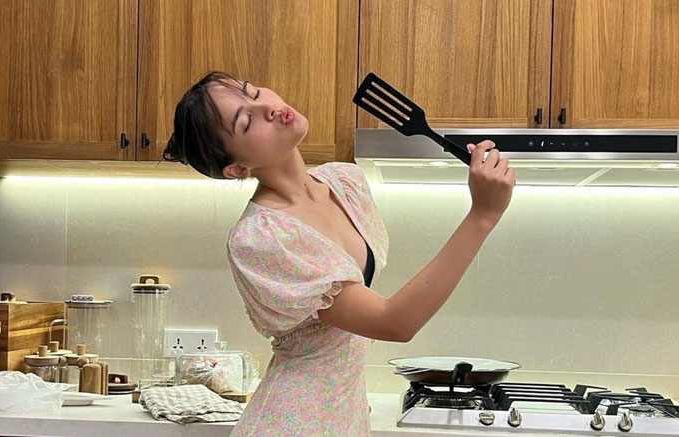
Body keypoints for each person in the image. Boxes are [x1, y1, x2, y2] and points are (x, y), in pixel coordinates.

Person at [163, 70, 515, 436]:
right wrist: (482, 215)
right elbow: (394, 322)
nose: (268, 107)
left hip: (342, 416)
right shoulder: (261, 238)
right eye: (247, 122)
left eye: (253, 92)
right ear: (238, 168)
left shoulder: (345, 183)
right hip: (294, 424)